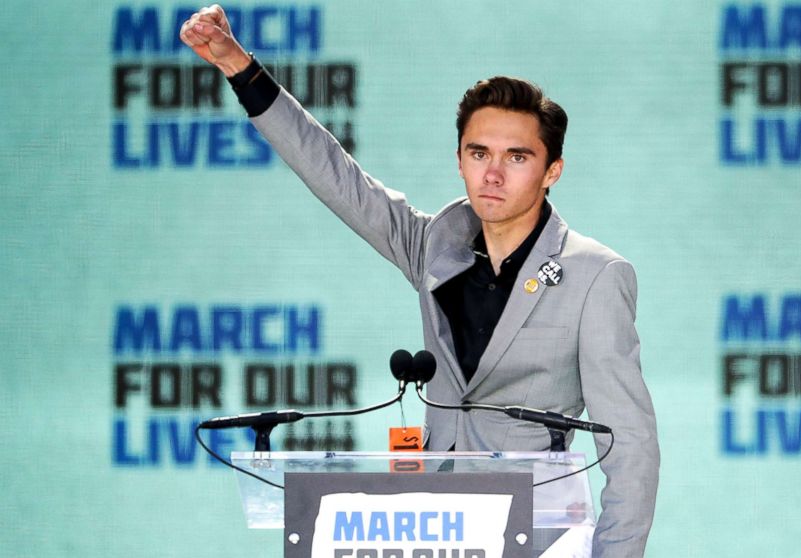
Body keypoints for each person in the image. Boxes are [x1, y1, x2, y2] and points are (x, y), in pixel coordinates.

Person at [181, 5, 660, 556]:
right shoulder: (435, 247)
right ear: (459, 160)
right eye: (479, 153)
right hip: (434, 531)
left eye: (517, 156)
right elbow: (336, 176)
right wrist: (241, 69)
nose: (494, 173)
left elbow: (632, 446)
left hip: (545, 537)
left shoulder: (596, 275)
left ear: (553, 170)